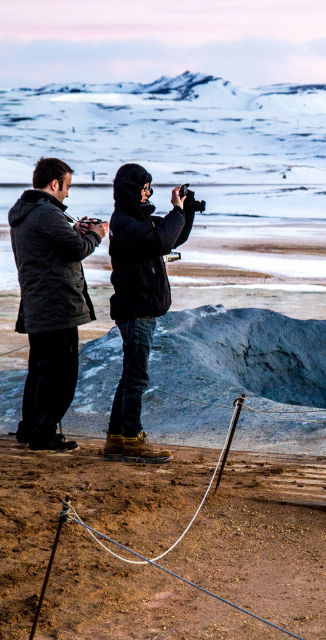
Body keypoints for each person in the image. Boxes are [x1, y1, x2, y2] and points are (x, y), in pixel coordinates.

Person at [9, 157, 108, 452]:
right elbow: (77, 249)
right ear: (55, 184)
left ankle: (30, 428)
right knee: (61, 375)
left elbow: (57, 245)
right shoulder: (47, 214)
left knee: (40, 371)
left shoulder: (26, 212)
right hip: (57, 306)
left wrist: (74, 230)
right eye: (67, 187)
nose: (68, 193)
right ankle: (43, 433)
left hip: (38, 304)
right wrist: (95, 235)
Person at [104, 164, 194, 463]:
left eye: (149, 189)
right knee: (137, 378)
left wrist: (186, 211)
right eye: (144, 189)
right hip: (136, 311)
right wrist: (177, 212)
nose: (148, 194)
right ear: (131, 190)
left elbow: (173, 237)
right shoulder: (127, 222)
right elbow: (162, 240)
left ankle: (117, 438)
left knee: (130, 376)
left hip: (140, 310)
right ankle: (132, 439)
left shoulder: (135, 220)